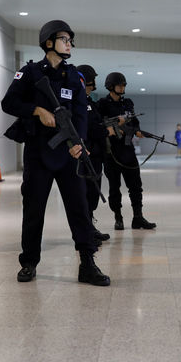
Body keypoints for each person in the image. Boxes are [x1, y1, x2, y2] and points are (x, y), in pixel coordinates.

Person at [1, 20, 109, 286]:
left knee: (79, 209)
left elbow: (82, 112)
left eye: (71, 40)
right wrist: (37, 111)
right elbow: (9, 102)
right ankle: (28, 262)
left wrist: (79, 141)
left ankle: (87, 263)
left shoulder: (75, 77)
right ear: (49, 42)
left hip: (68, 153)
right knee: (34, 208)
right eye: (64, 39)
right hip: (38, 152)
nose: (69, 43)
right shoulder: (29, 73)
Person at [97, 72, 157, 231]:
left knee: (136, 186)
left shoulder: (128, 103)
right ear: (111, 86)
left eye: (124, 85)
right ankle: (118, 218)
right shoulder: (102, 104)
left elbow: (135, 122)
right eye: (119, 85)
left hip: (128, 151)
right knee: (114, 188)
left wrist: (135, 130)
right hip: (111, 154)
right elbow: (97, 125)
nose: (122, 88)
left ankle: (138, 217)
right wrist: (111, 128)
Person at [76, 64, 111, 245]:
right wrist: (106, 130)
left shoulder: (89, 101)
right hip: (87, 155)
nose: (95, 82)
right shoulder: (81, 102)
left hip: (96, 155)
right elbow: (91, 128)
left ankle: (89, 227)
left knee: (92, 195)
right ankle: (85, 232)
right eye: (92, 79)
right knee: (86, 194)